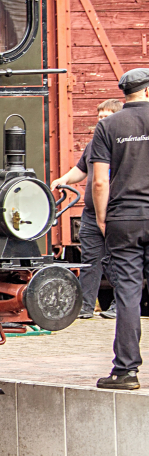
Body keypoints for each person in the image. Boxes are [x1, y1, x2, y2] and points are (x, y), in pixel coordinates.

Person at [91, 67, 149, 390]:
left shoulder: (108, 125)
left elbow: (100, 181)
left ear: (125, 94)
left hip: (123, 218)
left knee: (128, 294)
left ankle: (126, 371)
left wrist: (102, 217)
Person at [51, 98, 124, 319]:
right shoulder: (95, 144)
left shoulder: (123, 143)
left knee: (118, 259)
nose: (102, 120)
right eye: (100, 117)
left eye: (107, 116)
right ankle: (84, 306)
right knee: (90, 260)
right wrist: (61, 180)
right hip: (91, 214)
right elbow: (81, 170)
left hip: (116, 211)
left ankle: (120, 306)